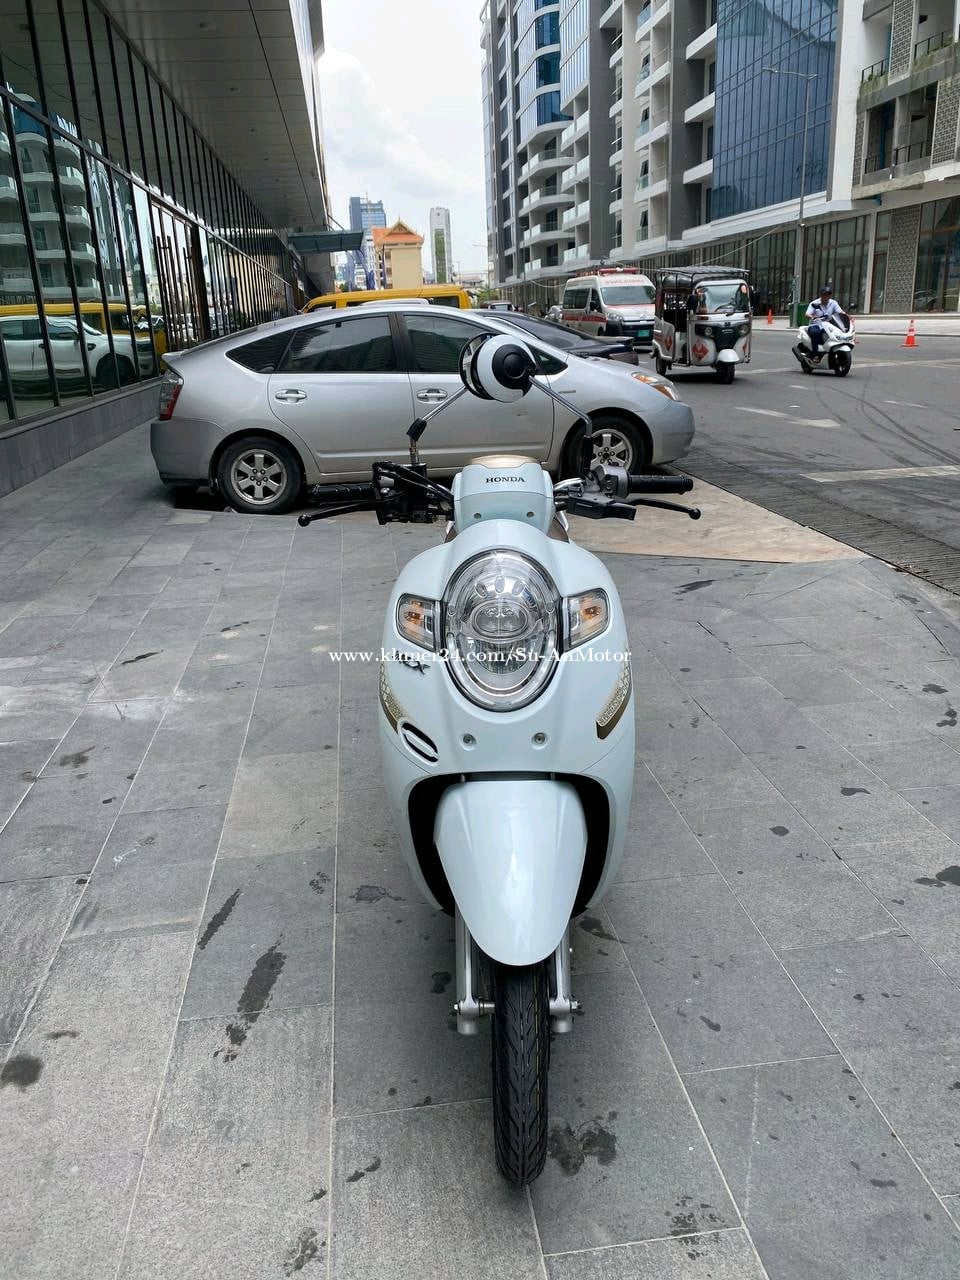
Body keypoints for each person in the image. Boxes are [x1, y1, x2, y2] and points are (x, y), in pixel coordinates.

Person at [805, 286, 847, 362]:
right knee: (815, 333)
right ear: (821, 295)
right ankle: (815, 355)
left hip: (828, 325)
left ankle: (832, 350)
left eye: (828, 295)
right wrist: (812, 317)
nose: (826, 297)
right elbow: (807, 314)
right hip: (815, 325)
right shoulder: (814, 303)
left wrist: (848, 317)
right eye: (824, 295)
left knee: (838, 333)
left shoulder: (833, 303)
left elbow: (840, 312)